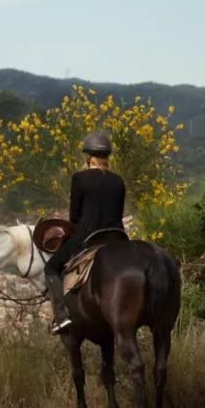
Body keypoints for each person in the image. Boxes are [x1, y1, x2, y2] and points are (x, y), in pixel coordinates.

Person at [43, 132, 127, 334]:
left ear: (88, 157)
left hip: (89, 238)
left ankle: (61, 316)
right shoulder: (118, 181)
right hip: (117, 237)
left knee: (51, 268)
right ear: (107, 156)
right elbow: (119, 212)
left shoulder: (80, 179)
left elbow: (74, 216)